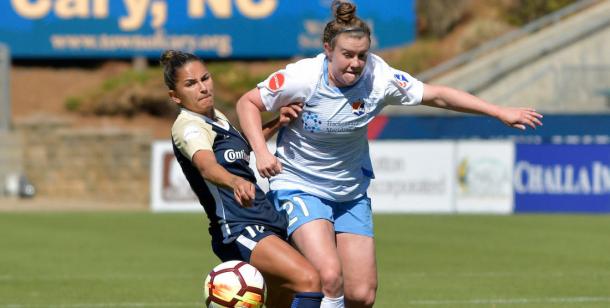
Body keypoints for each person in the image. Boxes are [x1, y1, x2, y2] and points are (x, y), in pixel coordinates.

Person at [235, 1, 544, 307]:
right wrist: (262, 152)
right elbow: (247, 103)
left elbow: (437, 95)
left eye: (361, 55)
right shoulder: (302, 78)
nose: (356, 64)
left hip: (350, 192)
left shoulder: (379, 78)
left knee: (361, 295)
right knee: (329, 278)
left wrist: (498, 111)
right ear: (328, 50)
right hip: (300, 185)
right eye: (347, 55)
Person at [161, 49, 324, 308]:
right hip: (239, 227)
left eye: (205, 78)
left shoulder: (217, 119)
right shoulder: (189, 125)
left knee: (287, 293)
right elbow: (207, 166)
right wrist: (235, 182)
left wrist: (277, 123)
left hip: (264, 216)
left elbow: (242, 148)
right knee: (309, 280)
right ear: (175, 96)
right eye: (191, 84)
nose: (203, 88)